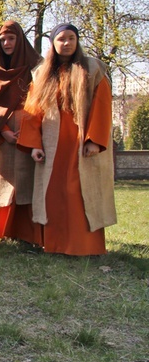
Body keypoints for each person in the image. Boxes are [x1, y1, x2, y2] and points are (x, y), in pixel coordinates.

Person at [17, 23, 117, 255]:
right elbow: (32, 111)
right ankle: (55, 245)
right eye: (61, 39)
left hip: (80, 142)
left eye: (71, 38)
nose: (67, 43)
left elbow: (102, 106)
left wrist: (94, 140)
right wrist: (34, 145)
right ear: (53, 43)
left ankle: (85, 246)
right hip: (52, 144)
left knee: (80, 192)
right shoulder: (41, 73)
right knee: (53, 193)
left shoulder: (93, 69)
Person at [0, 20, 42, 244]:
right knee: (2, 183)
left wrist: (28, 128)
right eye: (2, 39)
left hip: (29, 132)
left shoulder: (35, 68)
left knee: (27, 182)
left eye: (11, 38)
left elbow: (43, 101)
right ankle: (0, 231)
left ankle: (26, 233)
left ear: (20, 40)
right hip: (2, 137)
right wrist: (3, 130)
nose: (6, 43)